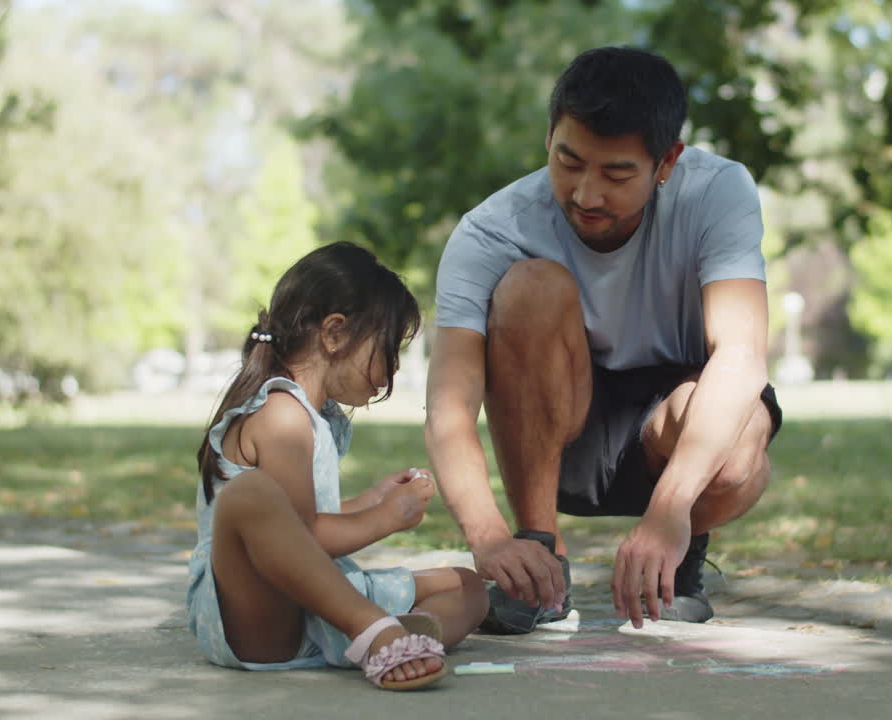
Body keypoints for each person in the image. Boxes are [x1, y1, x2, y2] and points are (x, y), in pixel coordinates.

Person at [425, 46, 783, 633]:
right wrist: (490, 540)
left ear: (667, 163)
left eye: (616, 174)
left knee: (744, 444)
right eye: (568, 162)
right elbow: (448, 405)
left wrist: (669, 512)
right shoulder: (490, 231)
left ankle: (677, 563)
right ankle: (541, 564)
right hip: (559, 429)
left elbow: (742, 357)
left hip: (673, 429)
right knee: (529, 287)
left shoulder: (718, 192)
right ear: (548, 139)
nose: (587, 195)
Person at [187, 241, 489, 690]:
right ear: (334, 333)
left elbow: (300, 524)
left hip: (305, 603)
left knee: (468, 587)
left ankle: (406, 641)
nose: (394, 367)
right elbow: (306, 534)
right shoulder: (282, 415)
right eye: (388, 347)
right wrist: (387, 517)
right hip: (256, 619)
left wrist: (371, 499)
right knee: (249, 494)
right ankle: (374, 631)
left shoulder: (313, 418)